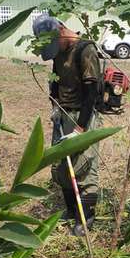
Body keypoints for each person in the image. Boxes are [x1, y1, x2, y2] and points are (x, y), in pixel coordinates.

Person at [32, 15, 101, 237]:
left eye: (54, 44)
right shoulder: (59, 51)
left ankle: (86, 216)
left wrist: (81, 128)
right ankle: (71, 211)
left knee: (84, 167)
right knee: (61, 165)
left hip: (83, 114)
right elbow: (55, 79)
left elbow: (92, 92)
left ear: (61, 31)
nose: (55, 50)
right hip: (63, 114)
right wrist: (54, 104)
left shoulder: (85, 50)